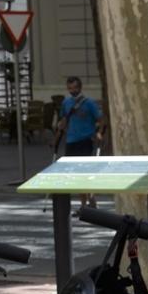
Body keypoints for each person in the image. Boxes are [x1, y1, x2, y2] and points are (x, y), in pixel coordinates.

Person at [54, 76, 104, 208]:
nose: (72, 90)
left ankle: (91, 200)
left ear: (80, 87)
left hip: (85, 141)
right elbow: (63, 119)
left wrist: (98, 132)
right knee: (76, 174)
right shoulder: (66, 103)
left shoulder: (89, 103)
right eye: (70, 88)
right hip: (71, 141)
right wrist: (60, 128)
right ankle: (84, 204)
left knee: (85, 173)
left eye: (75, 87)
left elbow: (101, 119)